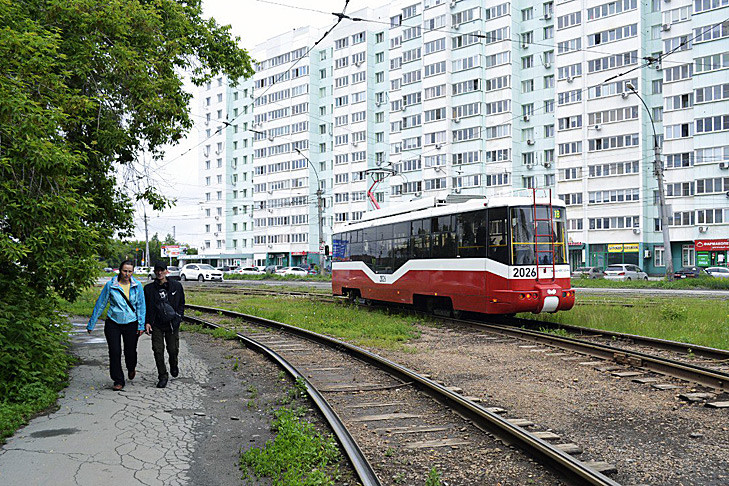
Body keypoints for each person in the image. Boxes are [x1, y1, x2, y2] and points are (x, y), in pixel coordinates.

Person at [88, 260, 146, 391]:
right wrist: (92, 323)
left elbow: (141, 306)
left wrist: (141, 325)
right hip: (113, 322)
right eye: (125, 271)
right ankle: (118, 380)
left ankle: (131, 368)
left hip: (131, 322)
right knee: (114, 351)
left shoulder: (137, 286)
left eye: (130, 271)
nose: (127, 274)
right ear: (120, 270)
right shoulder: (111, 285)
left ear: (133, 272)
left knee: (130, 352)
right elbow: (101, 303)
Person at [144, 261, 185, 388]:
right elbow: (145, 307)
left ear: (166, 271)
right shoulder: (149, 289)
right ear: (155, 272)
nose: (159, 272)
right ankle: (162, 375)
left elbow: (181, 303)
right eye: (157, 270)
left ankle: (174, 364)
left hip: (172, 323)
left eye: (162, 270)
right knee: (157, 350)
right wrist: (147, 322)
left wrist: (179, 317)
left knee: (173, 349)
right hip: (156, 324)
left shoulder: (176, 286)